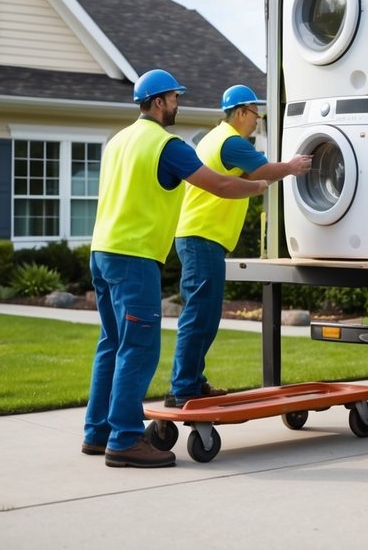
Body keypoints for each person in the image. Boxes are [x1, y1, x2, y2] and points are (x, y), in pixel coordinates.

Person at [83, 69, 270, 469]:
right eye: (174, 98)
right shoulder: (167, 145)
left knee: (112, 344)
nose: (177, 104)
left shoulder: (117, 141)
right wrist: (256, 186)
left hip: (102, 252)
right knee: (139, 347)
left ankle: (97, 433)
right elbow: (218, 184)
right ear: (158, 102)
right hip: (135, 257)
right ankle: (125, 440)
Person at [167, 85, 311, 408]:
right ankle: (183, 388)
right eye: (255, 115)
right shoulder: (231, 142)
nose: (257, 121)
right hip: (202, 238)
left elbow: (247, 175)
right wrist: (292, 167)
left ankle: (191, 380)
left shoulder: (213, 139)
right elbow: (261, 171)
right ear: (242, 113)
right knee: (200, 315)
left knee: (203, 314)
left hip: (199, 238)